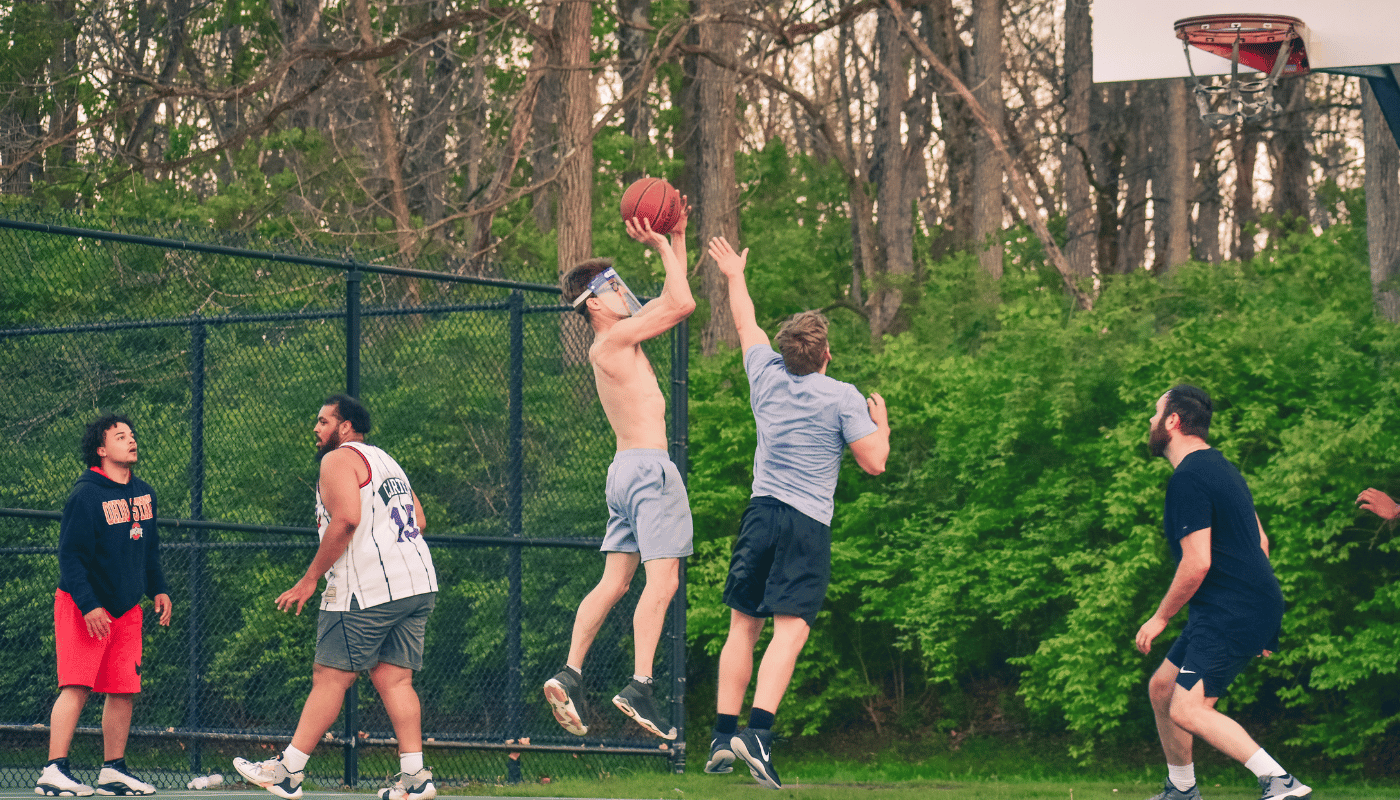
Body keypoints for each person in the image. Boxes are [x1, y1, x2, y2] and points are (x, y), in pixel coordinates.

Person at [701, 236, 891, 790]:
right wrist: (882, 422)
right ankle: (756, 734)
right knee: (791, 629)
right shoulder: (842, 396)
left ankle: (720, 734)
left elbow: (744, 322)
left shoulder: (763, 373)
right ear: (826, 354)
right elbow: (874, 463)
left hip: (760, 513)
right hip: (805, 523)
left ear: (786, 352)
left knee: (744, 624)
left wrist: (736, 275)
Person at [234, 395, 438, 800]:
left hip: (366, 588)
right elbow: (419, 518)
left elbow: (347, 518)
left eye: (323, 420)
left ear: (345, 428)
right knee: (395, 680)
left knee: (329, 678)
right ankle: (415, 778)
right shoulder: (386, 460)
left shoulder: (338, 459)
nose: (316, 428)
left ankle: (289, 772)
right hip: (416, 582)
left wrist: (309, 580)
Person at [542, 207, 696, 741]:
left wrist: (675, 238)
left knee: (615, 581)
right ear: (595, 303)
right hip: (650, 471)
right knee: (664, 580)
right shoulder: (612, 340)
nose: (625, 292)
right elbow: (683, 303)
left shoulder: (617, 338)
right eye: (614, 287)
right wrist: (659, 245)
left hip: (623, 472)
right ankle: (640, 686)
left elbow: (673, 297)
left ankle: (570, 672)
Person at [1135, 386, 1311, 800]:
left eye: (1155, 413)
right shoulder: (1221, 467)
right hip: (1237, 606)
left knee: (1188, 708)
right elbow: (1260, 543)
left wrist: (1160, 617)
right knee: (1163, 688)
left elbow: (1197, 562)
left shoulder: (1189, 477)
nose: (1150, 421)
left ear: (1173, 421)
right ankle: (1181, 788)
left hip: (1231, 609)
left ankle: (1280, 782)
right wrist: (1264, 622)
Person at [36, 414, 173, 798]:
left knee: (122, 689)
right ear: (101, 448)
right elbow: (71, 556)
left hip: (127, 608)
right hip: (84, 605)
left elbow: (149, 551)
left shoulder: (144, 493)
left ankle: (113, 770)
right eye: (120, 436)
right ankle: (54, 769)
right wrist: (89, 604)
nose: (131, 441)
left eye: (132, 435)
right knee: (76, 686)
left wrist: (158, 590)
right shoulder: (86, 495)